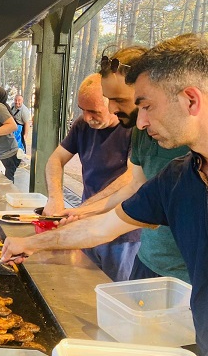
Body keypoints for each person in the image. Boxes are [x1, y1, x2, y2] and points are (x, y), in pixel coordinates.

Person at [1, 34, 208, 356]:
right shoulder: (176, 178)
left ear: (191, 100)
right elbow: (105, 226)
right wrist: (33, 243)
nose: (140, 122)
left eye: (146, 106)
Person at [58, 48, 190, 283]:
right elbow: (134, 186)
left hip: (182, 275)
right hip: (147, 260)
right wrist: (82, 212)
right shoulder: (139, 133)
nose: (111, 109)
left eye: (119, 100)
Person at [43, 73, 139, 281]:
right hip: (86, 222)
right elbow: (55, 159)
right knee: (84, 283)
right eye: (82, 110)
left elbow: (131, 179)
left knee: (113, 288)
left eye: (94, 111)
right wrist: (55, 197)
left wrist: (83, 209)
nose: (87, 118)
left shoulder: (134, 129)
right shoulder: (82, 124)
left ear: (112, 104)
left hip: (121, 229)